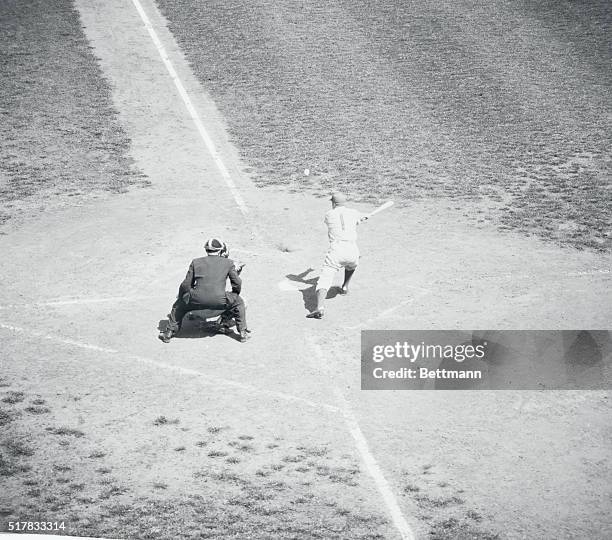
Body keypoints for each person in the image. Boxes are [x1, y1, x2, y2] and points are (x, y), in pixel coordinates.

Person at [159, 238, 250, 343]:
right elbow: (237, 283)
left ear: (206, 250)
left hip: (196, 305)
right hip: (219, 303)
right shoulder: (228, 263)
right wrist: (234, 294)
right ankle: (242, 332)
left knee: (178, 305)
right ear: (220, 250)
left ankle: (169, 332)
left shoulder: (196, 262)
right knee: (240, 302)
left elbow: (185, 285)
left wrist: (182, 298)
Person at [307, 192, 368, 319]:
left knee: (324, 280)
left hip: (337, 250)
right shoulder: (354, 213)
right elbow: (355, 220)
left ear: (334, 203)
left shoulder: (329, 215)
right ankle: (345, 287)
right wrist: (362, 218)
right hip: (352, 250)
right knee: (352, 265)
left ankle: (319, 307)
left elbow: (339, 223)